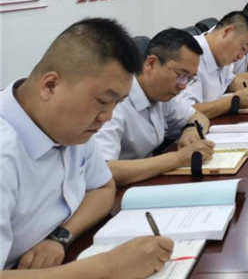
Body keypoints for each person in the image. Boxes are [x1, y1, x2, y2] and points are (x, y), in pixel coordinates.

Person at [0, 18, 174, 276]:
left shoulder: (69, 126)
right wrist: (111, 267)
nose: (108, 116)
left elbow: (103, 187)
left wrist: (61, 236)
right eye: (103, 101)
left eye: (118, 103)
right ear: (50, 85)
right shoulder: (6, 154)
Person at [94, 28, 216, 186]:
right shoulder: (115, 102)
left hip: (150, 179)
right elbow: (103, 171)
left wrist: (191, 129)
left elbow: (198, 116)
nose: (183, 86)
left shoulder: (162, 94)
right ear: (151, 64)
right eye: (181, 75)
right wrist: (179, 158)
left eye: (189, 78)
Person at [177, 11, 248, 119]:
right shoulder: (190, 56)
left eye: (246, 53)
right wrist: (233, 102)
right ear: (227, 32)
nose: (241, 57)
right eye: (243, 48)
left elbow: (229, 82)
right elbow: (186, 112)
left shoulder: (223, 54)